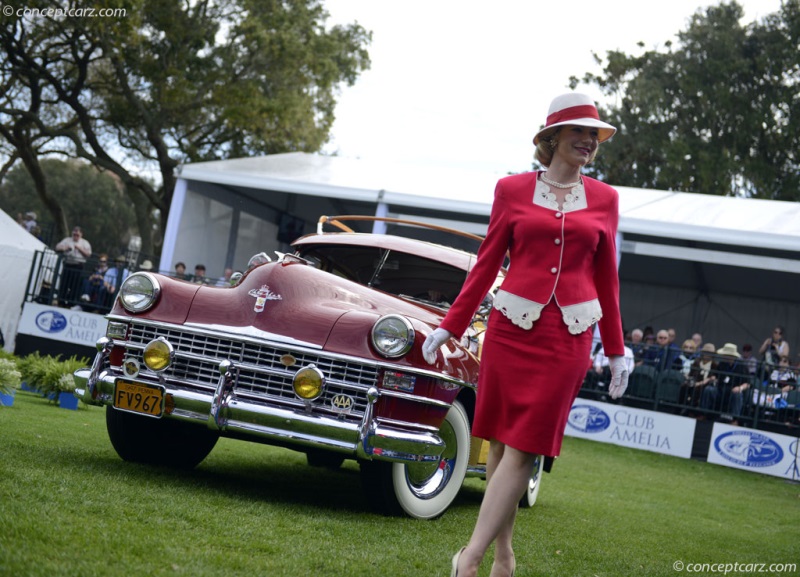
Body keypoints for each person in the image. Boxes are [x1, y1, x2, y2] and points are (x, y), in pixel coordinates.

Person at [421, 93, 628, 577]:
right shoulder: (510, 190)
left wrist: (616, 351)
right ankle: (504, 555)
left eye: (594, 135)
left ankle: (468, 556)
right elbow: (488, 263)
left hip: (569, 338)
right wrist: (450, 325)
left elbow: (608, 279)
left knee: (527, 446)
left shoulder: (606, 199)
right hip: (511, 331)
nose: (588, 142)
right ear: (552, 137)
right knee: (498, 443)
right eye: (579, 132)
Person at [700, 343, 750, 423]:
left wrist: (740, 388)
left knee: (738, 395)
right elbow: (716, 376)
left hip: (733, 392)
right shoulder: (722, 364)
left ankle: (735, 420)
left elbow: (747, 383)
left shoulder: (742, 367)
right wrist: (714, 378)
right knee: (709, 390)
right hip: (720, 390)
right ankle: (703, 414)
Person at [54, 226, 92, 305]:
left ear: (81, 234)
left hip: (78, 266)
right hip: (68, 264)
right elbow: (57, 247)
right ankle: (61, 301)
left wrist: (79, 248)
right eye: (74, 234)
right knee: (64, 284)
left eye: (77, 235)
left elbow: (88, 254)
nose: (75, 236)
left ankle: (71, 302)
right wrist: (65, 248)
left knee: (75, 285)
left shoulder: (85, 242)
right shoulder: (67, 240)